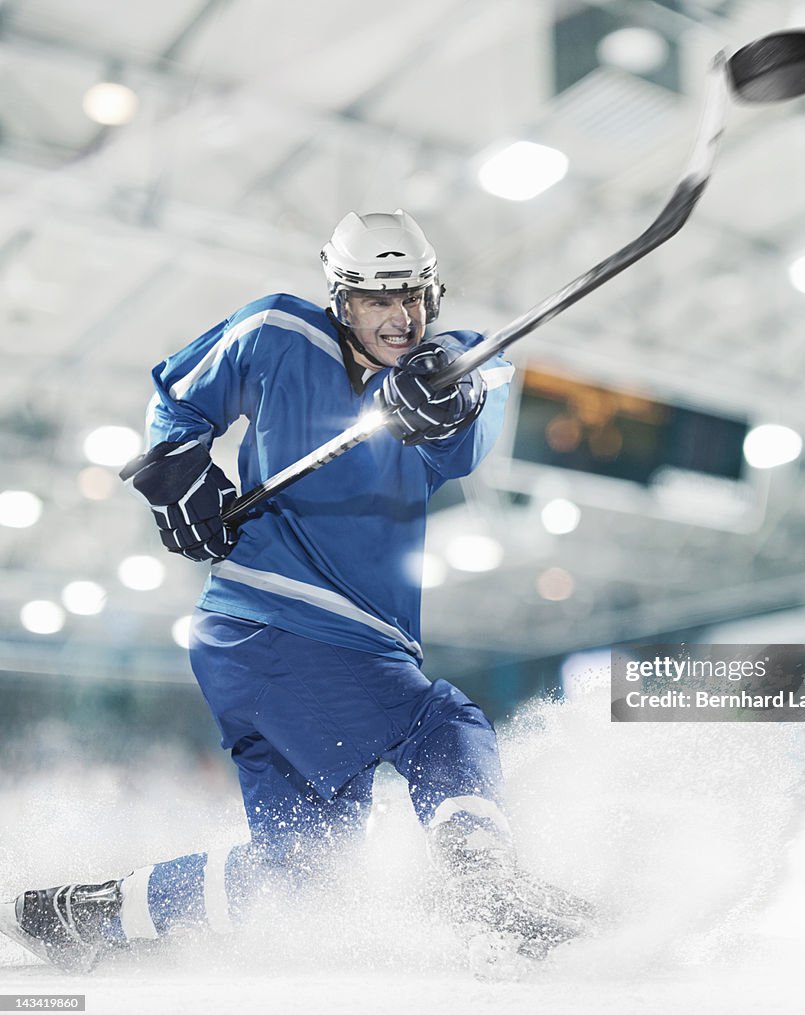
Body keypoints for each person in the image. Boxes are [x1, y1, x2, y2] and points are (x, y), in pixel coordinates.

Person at [0, 211, 593, 972]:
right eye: (377, 300)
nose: (401, 316)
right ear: (340, 297)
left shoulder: (458, 365)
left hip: (269, 646)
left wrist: (451, 391)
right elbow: (176, 398)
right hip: (283, 621)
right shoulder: (274, 331)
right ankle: (486, 891)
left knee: (305, 876)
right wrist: (180, 471)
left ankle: (85, 917)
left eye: (413, 296)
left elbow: (471, 420)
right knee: (442, 726)